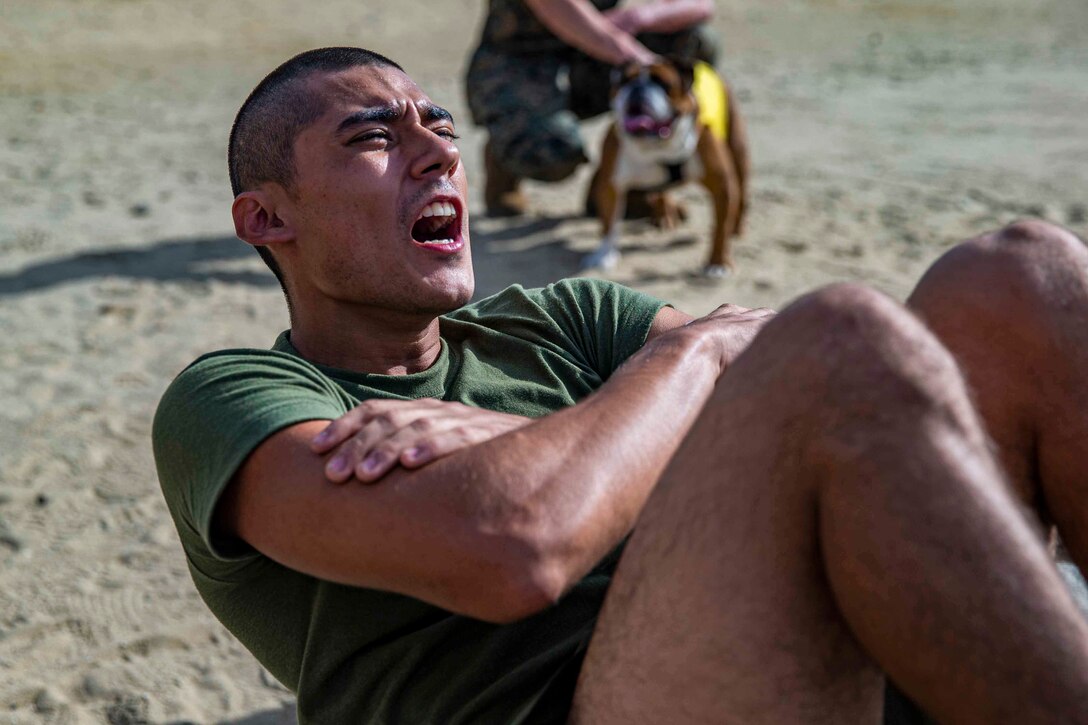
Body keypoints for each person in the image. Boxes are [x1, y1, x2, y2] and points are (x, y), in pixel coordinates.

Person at [152, 46, 1088, 724]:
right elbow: (516, 546)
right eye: (374, 137)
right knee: (837, 339)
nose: (438, 151)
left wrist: (498, 438)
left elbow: (804, 373)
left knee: (1020, 272)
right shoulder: (240, 398)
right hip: (582, 701)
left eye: (438, 126)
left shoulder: (567, 321)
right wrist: (684, 361)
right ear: (267, 216)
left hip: (790, 647)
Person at [465, 0, 719, 216]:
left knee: (694, 39)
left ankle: (625, 185)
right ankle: (505, 156)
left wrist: (639, 16)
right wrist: (645, 64)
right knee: (552, 151)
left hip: (593, 51)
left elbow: (701, 4)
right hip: (520, 62)